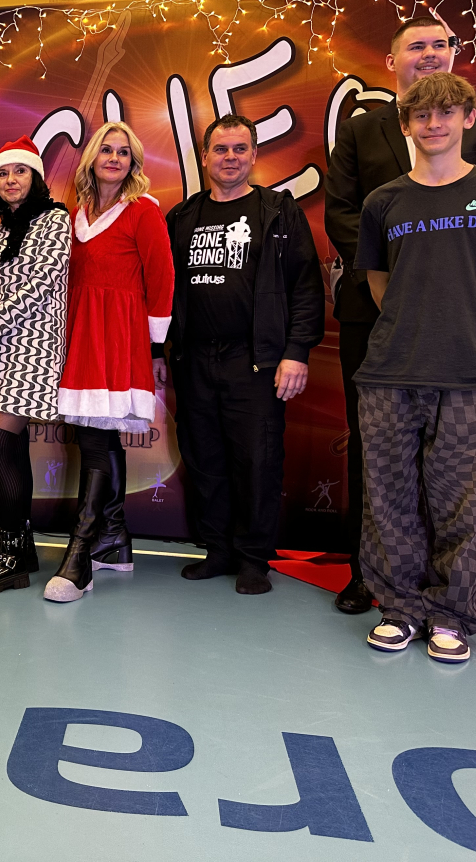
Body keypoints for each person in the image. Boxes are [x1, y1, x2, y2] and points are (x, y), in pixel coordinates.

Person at [324, 15, 476, 615]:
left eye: (440, 44)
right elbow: (343, 214)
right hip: (378, 320)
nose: (430, 53)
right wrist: (404, 285)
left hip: (465, 328)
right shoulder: (361, 130)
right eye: (416, 45)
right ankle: (375, 581)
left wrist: (465, 305)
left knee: (456, 474)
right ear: (392, 61)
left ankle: (448, 597)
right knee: (378, 458)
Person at [354, 72, 476, 663]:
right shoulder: (383, 202)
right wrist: (415, 322)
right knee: (389, 498)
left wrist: (473, 327)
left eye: (446, 113)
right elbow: (380, 283)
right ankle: (400, 609)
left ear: (467, 118)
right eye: (421, 116)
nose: (433, 124)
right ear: (406, 125)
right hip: (389, 374)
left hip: (469, 374)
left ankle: (452, 615)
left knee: (462, 502)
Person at [165, 114, 324, 595]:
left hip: (256, 361)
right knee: (204, 459)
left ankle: (254, 559)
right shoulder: (182, 217)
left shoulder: (278, 212)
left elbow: (305, 286)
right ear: (205, 157)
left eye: (239, 149)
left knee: (257, 461)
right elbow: (162, 291)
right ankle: (217, 551)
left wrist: (296, 352)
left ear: (254, 155)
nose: (230, 157)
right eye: (221, 149)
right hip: (194, 360)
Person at [47, 122, 174, 603]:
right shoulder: (75, 214)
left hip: (118, 336)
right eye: (107, 150)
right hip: (80, 334)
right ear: (92, 159)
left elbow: (161, 278)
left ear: (133, 163)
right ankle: (114, 537)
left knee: (97, 440)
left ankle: (80, 555)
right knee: (95, 437)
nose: (115, 158)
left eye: (124, 152)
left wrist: (155, 347)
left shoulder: (144, 210)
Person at [0, 136, 70, 594]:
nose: (10, 180)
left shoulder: (56, 220)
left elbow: (36, 288)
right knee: (10, 446)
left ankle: (10, 551)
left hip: (35, 348)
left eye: (19, 171)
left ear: (35, 176)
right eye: (2, 173)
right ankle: (21, 549)